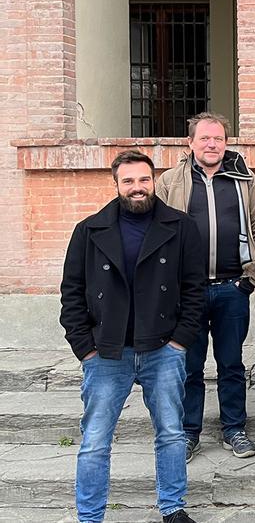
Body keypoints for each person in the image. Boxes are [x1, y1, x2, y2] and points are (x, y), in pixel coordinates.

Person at [60, 150, 205, 523]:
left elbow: (194, 288)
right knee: (94, 440)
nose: (137, 188)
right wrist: (85, 348)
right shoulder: (89, 230)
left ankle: (172, 507)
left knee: (171, 433)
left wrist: (180, 341)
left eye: (144, 180)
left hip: (162, 348)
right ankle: (90, 516)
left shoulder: (181, 227)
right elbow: (72, 293)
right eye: (129, 181)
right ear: (116, 184)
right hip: (107, 352)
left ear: (153, 181)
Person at [157, 112, 255, 462]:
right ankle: (189, 432)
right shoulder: (170, 181)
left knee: (231, 364)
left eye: (218, 139)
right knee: (188, 366)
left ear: (226, 142)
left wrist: (249, 280)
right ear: (190, 143)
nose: (212, 144)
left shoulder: (243, 180)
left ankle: (234, 429)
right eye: (205, 139)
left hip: (231, 289)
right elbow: (157, 235)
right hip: (187, 292)